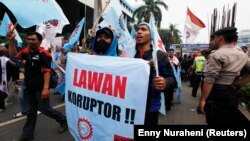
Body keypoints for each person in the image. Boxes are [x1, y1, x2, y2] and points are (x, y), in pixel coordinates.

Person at [7, 31, 67, 140]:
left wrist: (45, 88)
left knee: (45, 109)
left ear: (39, 41)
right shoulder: (27, 52)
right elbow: (14, 55)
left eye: (33, 39)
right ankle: (27, 135)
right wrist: (11, 41)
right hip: (29, 87)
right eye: (29, 39)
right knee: (30, 112)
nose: (30, 41)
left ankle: (63, 120)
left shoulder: (44, 54)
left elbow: (47, 71)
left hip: (40, 88)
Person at [198, 27, 250, 124]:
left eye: (214, 38)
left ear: (220, 38)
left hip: (216, 92)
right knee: (228, 120)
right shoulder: (243, 55)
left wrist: (203, 99)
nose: (213, 41)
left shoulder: (216, 55)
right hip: (232, 92)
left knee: (214, 120)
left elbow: (210, 79)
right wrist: (238, 82)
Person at [134, 22, 176, 125]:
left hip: (150, 108)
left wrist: (165, 82)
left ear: (151, 35)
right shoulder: (128, 55)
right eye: (137, 29)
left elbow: (172, 79)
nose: (139, 31)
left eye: (143, 29)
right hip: (131, 104)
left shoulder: (160, 56)